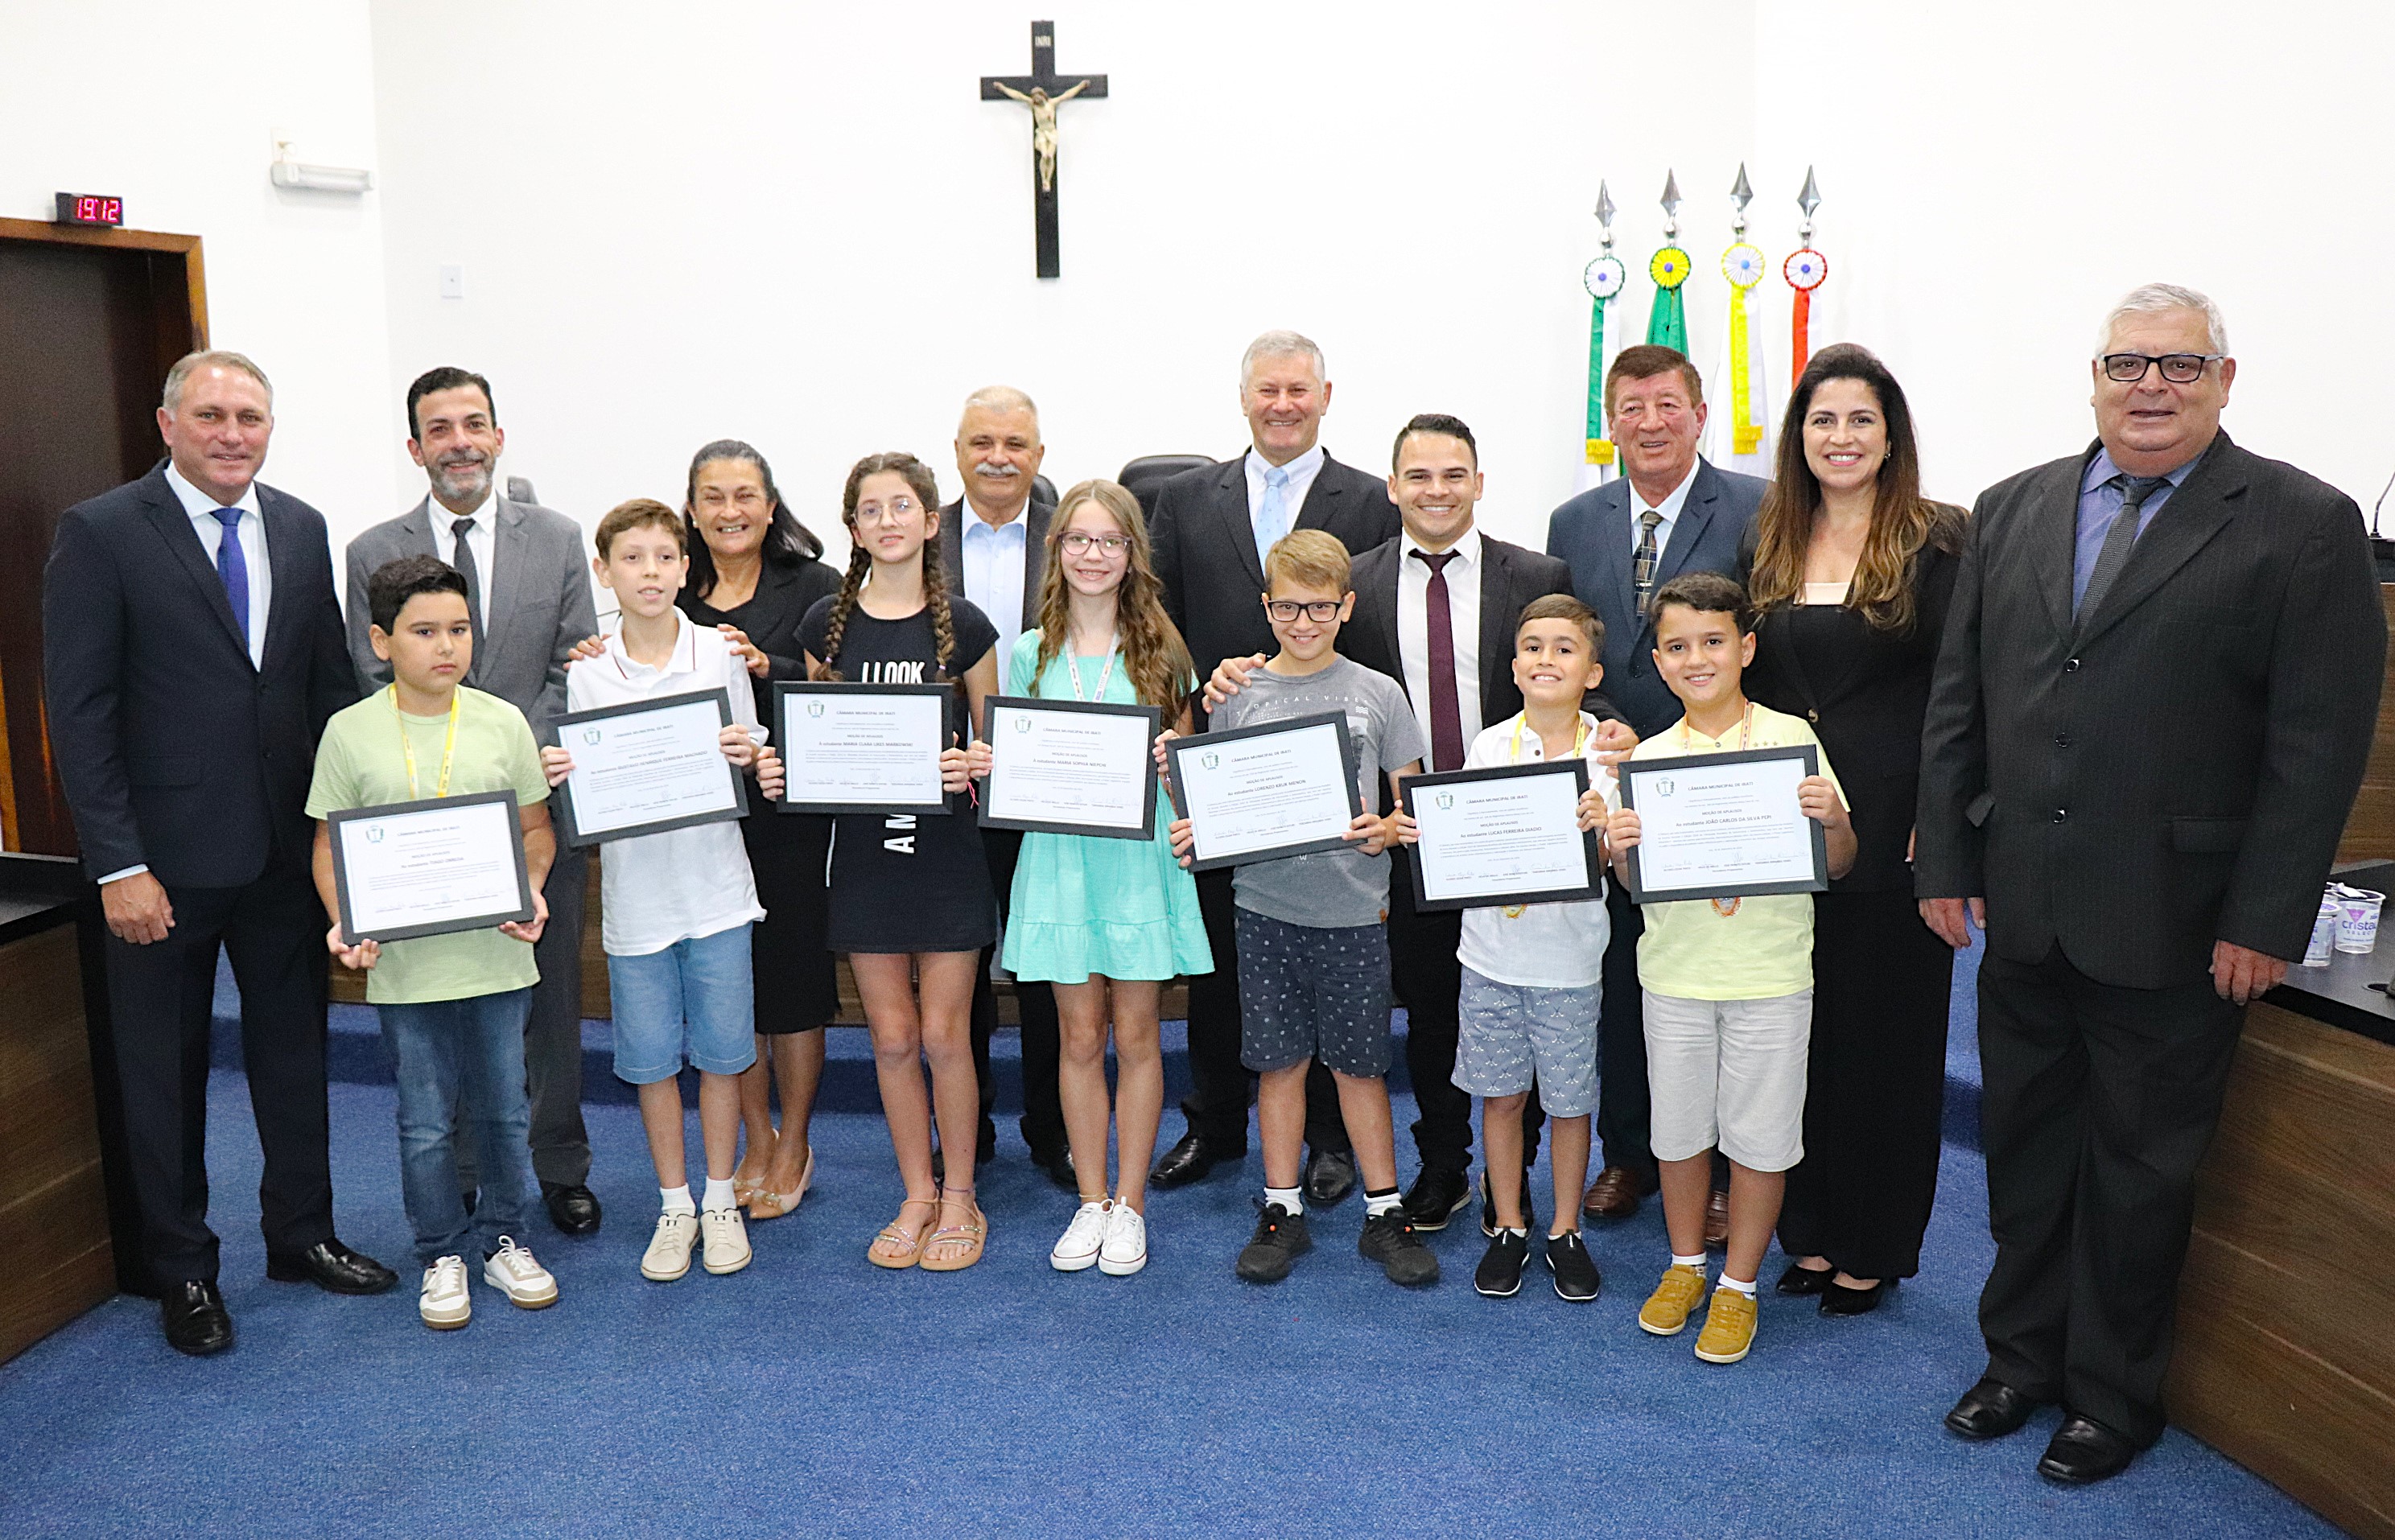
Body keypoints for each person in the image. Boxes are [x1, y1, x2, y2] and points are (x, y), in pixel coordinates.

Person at [1917, 284, 2383, 1484]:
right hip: (2023, 904)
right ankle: (2018, 1357)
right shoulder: (2016, 508)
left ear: (2226, 380)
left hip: (2181, 924)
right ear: (2095, 375)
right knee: (2024, 1153)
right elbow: (1962, 702)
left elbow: (2316, 742)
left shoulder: (2301, 522)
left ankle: (2110, 1398)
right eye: (2129, 361)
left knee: (2138, 1171)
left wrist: (2267, 915)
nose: (2151, 385)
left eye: (2180, 364)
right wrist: (1951, 860)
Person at [41, 348, 394, 1354]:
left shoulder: (299, 524)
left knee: (295, 1055)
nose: (232, 433)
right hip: (160, 868)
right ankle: (184, 1270)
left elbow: (326, 689)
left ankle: (302, 1236)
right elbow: (81, 712)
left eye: (250, 416)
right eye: (211, 415)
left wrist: (352, 836)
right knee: (165, 1070)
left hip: (287, 853)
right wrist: (117, 863)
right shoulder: (102, 533)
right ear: (168, 425)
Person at [1203, 414, 1633, 1233]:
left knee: (1520, 996)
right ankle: (1444, 1166)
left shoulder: (1536, 570)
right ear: (1393, 486)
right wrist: (1231, 673)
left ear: (1478, 482)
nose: (1437, 491)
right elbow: (1302, 661)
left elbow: (1566, 670)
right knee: (1435, 1006)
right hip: (1395, 832)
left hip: (1506, 834)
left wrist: (1614, 729)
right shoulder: (1354, 582)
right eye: (1419, 477)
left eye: (1454, 475)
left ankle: (1526, 1180)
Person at [345, 367, 604, 1238]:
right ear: (416, 448)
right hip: (421, 829)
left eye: (475, 424)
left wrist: (516, 752)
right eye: (440, 429)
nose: (461, 442)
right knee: (443, 1006)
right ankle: (458, 1173)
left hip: (535, 809)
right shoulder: (370, 551)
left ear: (499, 436)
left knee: (547, 999)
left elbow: (574, 661)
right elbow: (366, 674)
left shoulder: (559, 536)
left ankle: (558, 1164)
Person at [1147, 329, 1402, 1201]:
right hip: (1231, 776)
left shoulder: (1372, 499)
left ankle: (1331, 1144)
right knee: (1227, 963)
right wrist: (1192, 703)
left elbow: (1376, 637)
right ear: (1244, 397)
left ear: (1327, 396)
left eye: (1299, 390)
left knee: (1328, 963)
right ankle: (1214, 1125)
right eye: (1268, 390)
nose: (1283, 404)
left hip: (1331, 779)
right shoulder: (1184, 498)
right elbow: (1165, 629)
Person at [1739, 344, 1966, 1316]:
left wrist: (1943, 820)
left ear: (1890, 434)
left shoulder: (1942, 541)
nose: (1841, 438)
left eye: (1860, 420)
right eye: (1823, 420)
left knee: (1889, 1047)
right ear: (1799, 437)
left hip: (1899, 829)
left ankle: (1874, 1243)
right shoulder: (1770, 541)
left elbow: (1967, 692)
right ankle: (1814, 1231)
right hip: (1792, 833)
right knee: (1805, 1040)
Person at [1170, 529, 1438, 1287]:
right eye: (1287, 606)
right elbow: (1210, 800)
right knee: (1278, 1064)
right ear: (1266, 605)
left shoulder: (1378, 693)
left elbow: (1408, 805)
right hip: (1264, 908)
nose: (1302, 622)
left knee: (1360, 1069)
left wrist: (1386, 831)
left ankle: (1386, 1213)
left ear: (1346, 606)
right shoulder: (1237, 694)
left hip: (1353, 913)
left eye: (1320, 607)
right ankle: (1280, 1208)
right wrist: (1186, 813)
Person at [1606, 571, 1855, 1365]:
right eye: (1677, 646)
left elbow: (1842, 862)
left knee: (1761, 1139)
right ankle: (1685, 1265)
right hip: (1676, 972)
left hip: (1770, 975)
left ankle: (1739, 1284)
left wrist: (1833, 821)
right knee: (1677, 1134)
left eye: (1713, 641)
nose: (1697, 658)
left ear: (1745, 647)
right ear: (1660, 661)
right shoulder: (1650, 758)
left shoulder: (1791, 740)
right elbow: (1636, 889)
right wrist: (1620, 853)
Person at [307, 555, 562, 1330]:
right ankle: (441, 1250)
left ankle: (507, 1238)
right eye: (424, 631)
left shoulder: (502, 721)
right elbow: (329, 847)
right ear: (382, 641)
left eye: (458, 628)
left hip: (495, 955)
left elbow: (535, 830)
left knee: (505, 1111)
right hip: (406, 969)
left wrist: (533, 888)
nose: (445, 646)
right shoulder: (349, 733)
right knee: (424, 1121)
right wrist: (343, 916)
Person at [1547, 344, 1768, 1234]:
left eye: (1667, 405)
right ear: (1611, 421)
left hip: (1713, 789)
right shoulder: (1572, 520)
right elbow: (1576, 644)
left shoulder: (1755, 507)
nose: (1649, 422)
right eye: (1631, 407)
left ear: (1700, 411)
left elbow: (1761, 646)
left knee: (1711, 986)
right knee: (1621, 977)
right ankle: (1631, 1157)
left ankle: (1716, 1173)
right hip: (1615, 790)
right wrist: (1603, 729)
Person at [543, 500, 785, 1284]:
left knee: (722, 1055)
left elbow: (752, 747)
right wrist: (564, 778)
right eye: (632, 559)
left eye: (664, 558)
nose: (650, 573)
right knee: (649, 1063)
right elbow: (586, 782)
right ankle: (674, 1203)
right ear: (603, 571)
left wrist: (744, 751)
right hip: (638, 904)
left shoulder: (719, 654)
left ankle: (720, 1198)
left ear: (687, 567)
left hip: (718, 891)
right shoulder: (585, 672)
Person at [1000, 480, 1212, 1278]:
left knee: (1135, 1036)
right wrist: (998, 766)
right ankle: (1089, 1200)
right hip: (1058, 862)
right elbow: (1013, 756)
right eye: (1079, 540)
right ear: (1057, 551)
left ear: (1132, 555)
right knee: (1078, 1039)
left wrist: (1170, 765)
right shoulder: (1029, 652)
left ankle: (1130, 1206)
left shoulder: (1164, 646)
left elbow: (1186, 768)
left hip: (1137, 862)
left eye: (1110, 542)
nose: (1094, 555)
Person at [798, 452, 1002, 1272]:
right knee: (890, 1037)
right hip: (865, 859)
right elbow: (813, 741)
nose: (888, 521)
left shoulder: (972, 626)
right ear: (853, 529)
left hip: (946, 855)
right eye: (870, 510)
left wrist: (976, 763)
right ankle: (915, 1191)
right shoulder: (825, 626)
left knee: (947, 1036)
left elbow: (995, 747)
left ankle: (960, 1196)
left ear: (930, 520)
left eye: (902, 507)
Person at [1393, 594, 1615, 1302]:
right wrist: (1429, 832)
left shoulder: (1606, 753)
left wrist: (1603, 827)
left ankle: (1566, 1228)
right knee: (1500, 1099)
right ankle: (1512, 1225)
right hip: (1488, 959)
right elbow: (1466, 836)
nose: (1545, 659)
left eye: (1563, 648)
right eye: (1532, 647)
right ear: (1513, 666)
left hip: (1570, 964)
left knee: (1573, 1102)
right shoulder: (1490, 745)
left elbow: (1618, 857)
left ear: (1593, 670)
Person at [676, 441, 843, 1221]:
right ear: (692, 509)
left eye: (745, 495)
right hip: (701, 818)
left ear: (772, 505)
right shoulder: (670, 589)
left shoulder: (816, 587)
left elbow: (844, 693)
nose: (730, 511)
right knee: (725, 987)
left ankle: (796, 1140)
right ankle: (753, 1134)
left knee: (793, 985)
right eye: (714, 497)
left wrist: (767, 666)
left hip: (788, 817)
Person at [938, 386, 1070, 1188]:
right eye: (982, 441)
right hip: (947, 780)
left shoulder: (1078, 539)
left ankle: (1053, 1127)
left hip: (1052, 783)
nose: (998, 456)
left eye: (1016, 443)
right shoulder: (922, 537)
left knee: (1048, 961)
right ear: (956, 452)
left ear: (1040, 457)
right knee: (963, 957)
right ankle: (970, 1123)